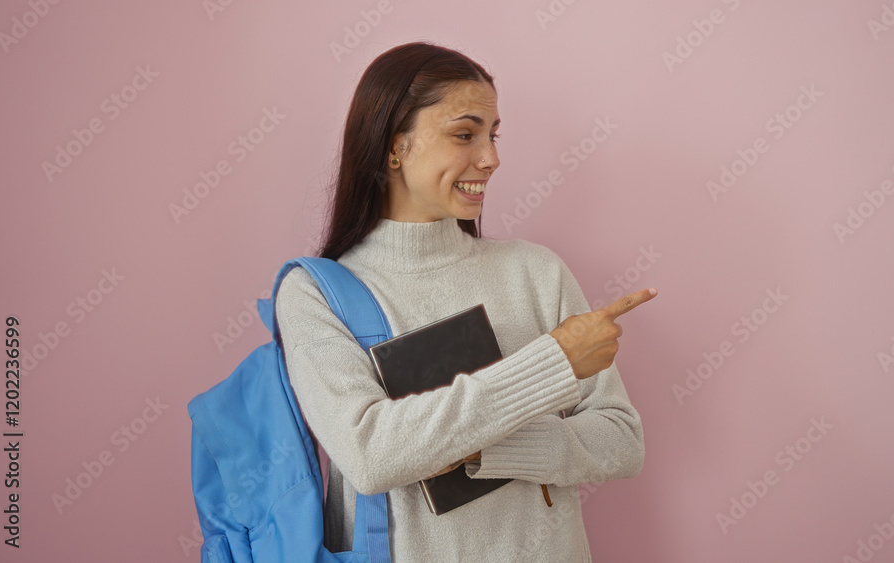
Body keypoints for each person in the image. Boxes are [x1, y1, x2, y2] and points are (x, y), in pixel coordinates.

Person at [275, 41, 656, 562]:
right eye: (464, 134)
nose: (491, 158)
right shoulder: (316, 293)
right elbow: (371, 455)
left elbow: (621, 441)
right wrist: (554, 363)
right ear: (393, 146)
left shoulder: (535, 271)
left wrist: (482, 449)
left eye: (493, 135)